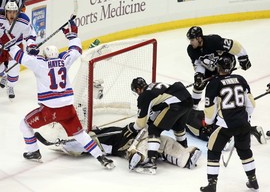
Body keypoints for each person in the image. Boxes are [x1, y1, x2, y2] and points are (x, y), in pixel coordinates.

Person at [0, 19, 115, 169]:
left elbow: (21, 57)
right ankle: (101, 157)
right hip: (68, 109)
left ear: (46, 56)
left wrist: (10, 45)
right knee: (80, 135)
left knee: (24, 125)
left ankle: (33, 152)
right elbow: (75, 50)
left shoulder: (39, 63)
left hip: (50, 110)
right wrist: (72, 35)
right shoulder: (63, 61)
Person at [36, 122, 202, 174]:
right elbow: (84, 145)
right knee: (146, 144)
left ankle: (185, 157)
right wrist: (62, 145)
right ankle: (138, 157)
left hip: (141, 137)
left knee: (164, 141)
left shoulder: (104, 133)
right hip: (132, 145)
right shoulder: (97, 137)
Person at [199, 53, 258, 192]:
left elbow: (210, 108)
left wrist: (209, 122)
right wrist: (243, 118)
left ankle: (212, 184)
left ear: (217, 67)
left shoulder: (213, 83)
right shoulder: (240, 79)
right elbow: (251, 104)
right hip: (243, 124)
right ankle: (253, 180)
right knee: (245, 151)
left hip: (225, 125)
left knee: (213, 151)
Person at [128, 77, 194, 174]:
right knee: (178, 127)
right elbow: (160, 106)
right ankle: (184, 150)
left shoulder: (144, 96)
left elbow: (141, 123)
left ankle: (151, 161)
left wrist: (132, 128)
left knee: (154, 129)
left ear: (138, 89)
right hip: (187, 101)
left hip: (176, 105)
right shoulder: (154, 86)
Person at [186, 26, 252, 109]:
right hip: (210, 66)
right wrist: (199, 74)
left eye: (192, 40)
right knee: (199, 84)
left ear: (199, 38)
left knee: (221, 83)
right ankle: (194, 106)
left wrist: (243, 58)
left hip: (225, 63)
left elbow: (233, 45)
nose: (191, 43)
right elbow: (198, 64)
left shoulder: (213, 40)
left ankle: (231, 101)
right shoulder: (191, 50)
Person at [0, 1, 37, 99]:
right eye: (9, 12)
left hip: (15, 47)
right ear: (5, 12)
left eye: (14, 12)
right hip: (1, 46)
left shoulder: (23, 20)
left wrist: (31, 45)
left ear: (17, 12)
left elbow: (30, 34)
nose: (12, 14)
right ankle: (3, 75)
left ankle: (10, 86)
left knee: (14, 72)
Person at [185, 108, 267, 144]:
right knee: (221, 122)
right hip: (198, 114)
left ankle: (225, 139)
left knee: (204, 132)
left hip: (189, 118)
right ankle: (252, 130)